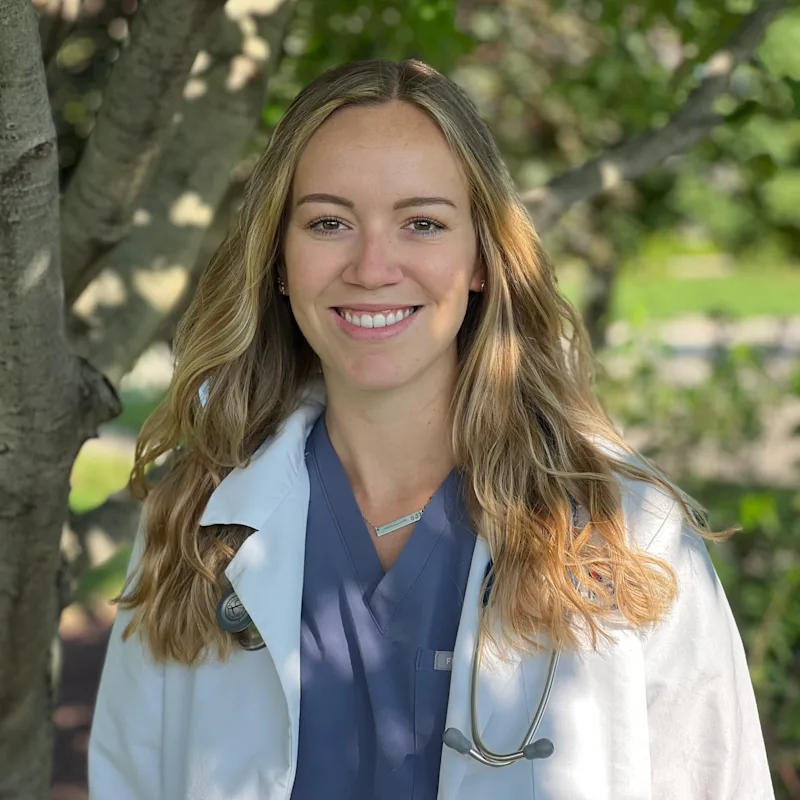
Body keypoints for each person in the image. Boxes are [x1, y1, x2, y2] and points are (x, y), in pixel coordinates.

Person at [88, 58, 774, 800]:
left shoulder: (627, 528)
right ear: (279, 262)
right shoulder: (198, 521)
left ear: (481, 258)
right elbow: (132, 780)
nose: (373, 266)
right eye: (328, 223)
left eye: (422, 223)